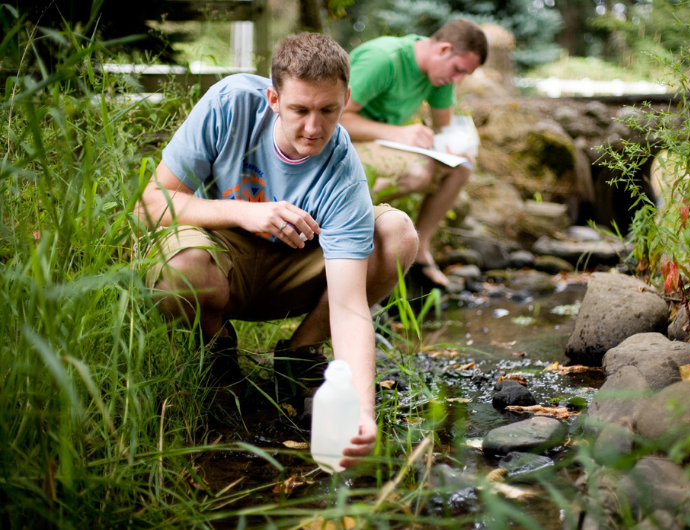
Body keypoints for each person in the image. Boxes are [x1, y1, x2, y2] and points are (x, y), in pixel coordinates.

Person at [136, 33, 418, 469]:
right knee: (181, 270)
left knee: (397, 233)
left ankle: (297, 357)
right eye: (299, 110)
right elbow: (152, 203)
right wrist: (244, 214)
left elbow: (349, 306)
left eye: (328, 110)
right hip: (223, 250)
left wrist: (361, 409)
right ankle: (217, 354)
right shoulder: (230, 105)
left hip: (297, 265)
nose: (313, 128)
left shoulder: (343, 172)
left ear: (346, 98)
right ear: (273, 98)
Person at [340, 19, 488, 287]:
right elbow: (333, 119)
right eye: (457, 70)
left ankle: (420, 251)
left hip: (379, 145)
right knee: (419, 170)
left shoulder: (440, 76)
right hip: (338, 146)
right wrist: (396, 133)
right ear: (443, 49)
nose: (457, 80)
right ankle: (347, 234)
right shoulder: (384, 59)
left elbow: (445, 128)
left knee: (463, 164)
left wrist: (453, 144)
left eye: (464, 74)